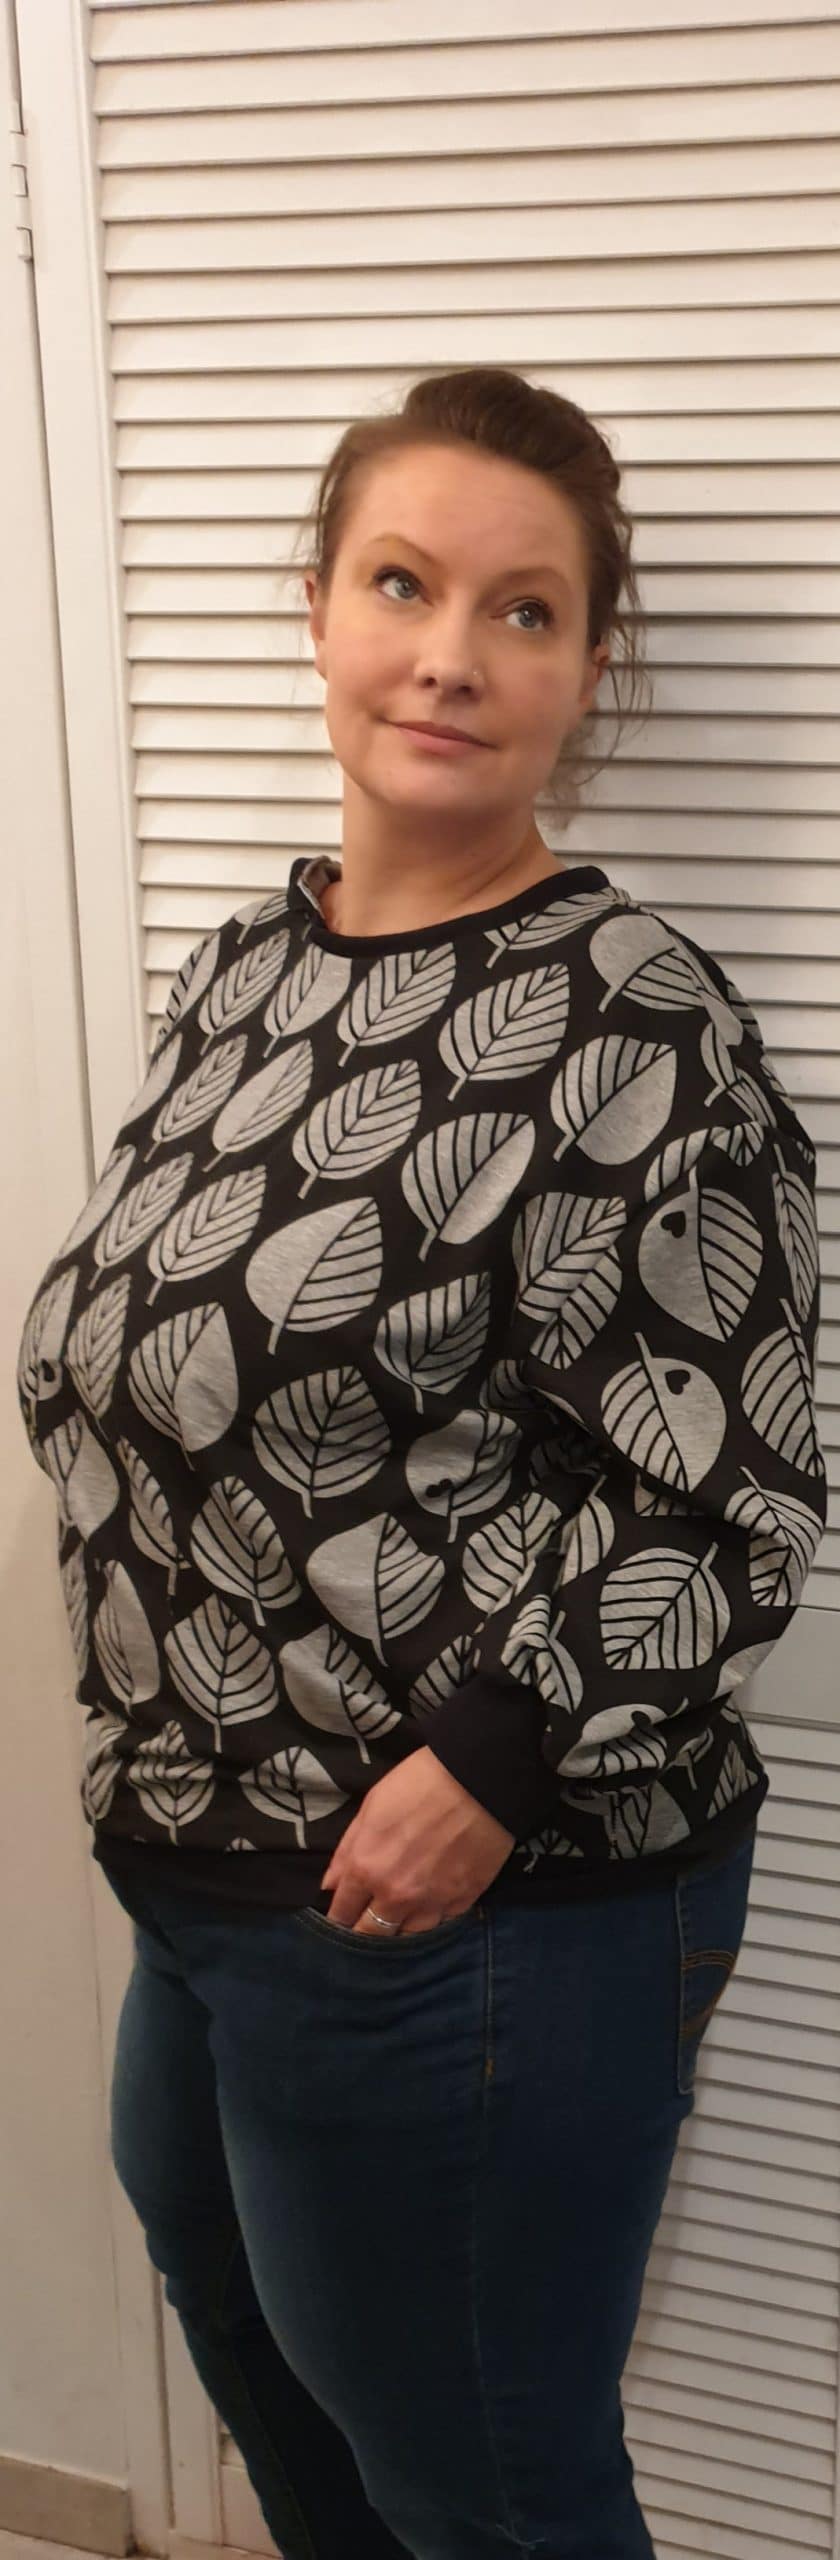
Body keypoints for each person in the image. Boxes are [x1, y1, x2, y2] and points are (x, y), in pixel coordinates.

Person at [17, 368, 826, 2560]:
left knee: (487, 2479)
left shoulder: (637, 1022)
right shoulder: (248, 972)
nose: (452, 653)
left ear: (587, 666)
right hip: (201, 1865)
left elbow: (729, 1499)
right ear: (316, 608)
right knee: (287, 2388)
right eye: (403, 583)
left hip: (467, 1911)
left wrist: (484, 1761)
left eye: (525, 610)